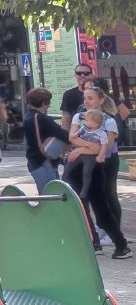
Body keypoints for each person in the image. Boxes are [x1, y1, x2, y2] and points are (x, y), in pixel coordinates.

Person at [66, 88, 130, 259]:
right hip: (77, 167)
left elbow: (105, 148)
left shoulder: (108, 120)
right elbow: (72, 137)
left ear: (101, 100)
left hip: (96, 167)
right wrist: (86, 147)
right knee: (81, 205)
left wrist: (80, 149)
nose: (86, 101)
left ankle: (121, 245)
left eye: (91, 98)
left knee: (101, 208)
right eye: (85, 98)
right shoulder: (78, 117)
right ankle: (94, 242)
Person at [23, 87, 69, 192]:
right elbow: (63, 135)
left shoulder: (28, 116)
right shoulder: (42, 118)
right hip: (44, 161)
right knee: (51, 193)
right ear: (44, 103)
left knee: (45, 193)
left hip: (34, 160)